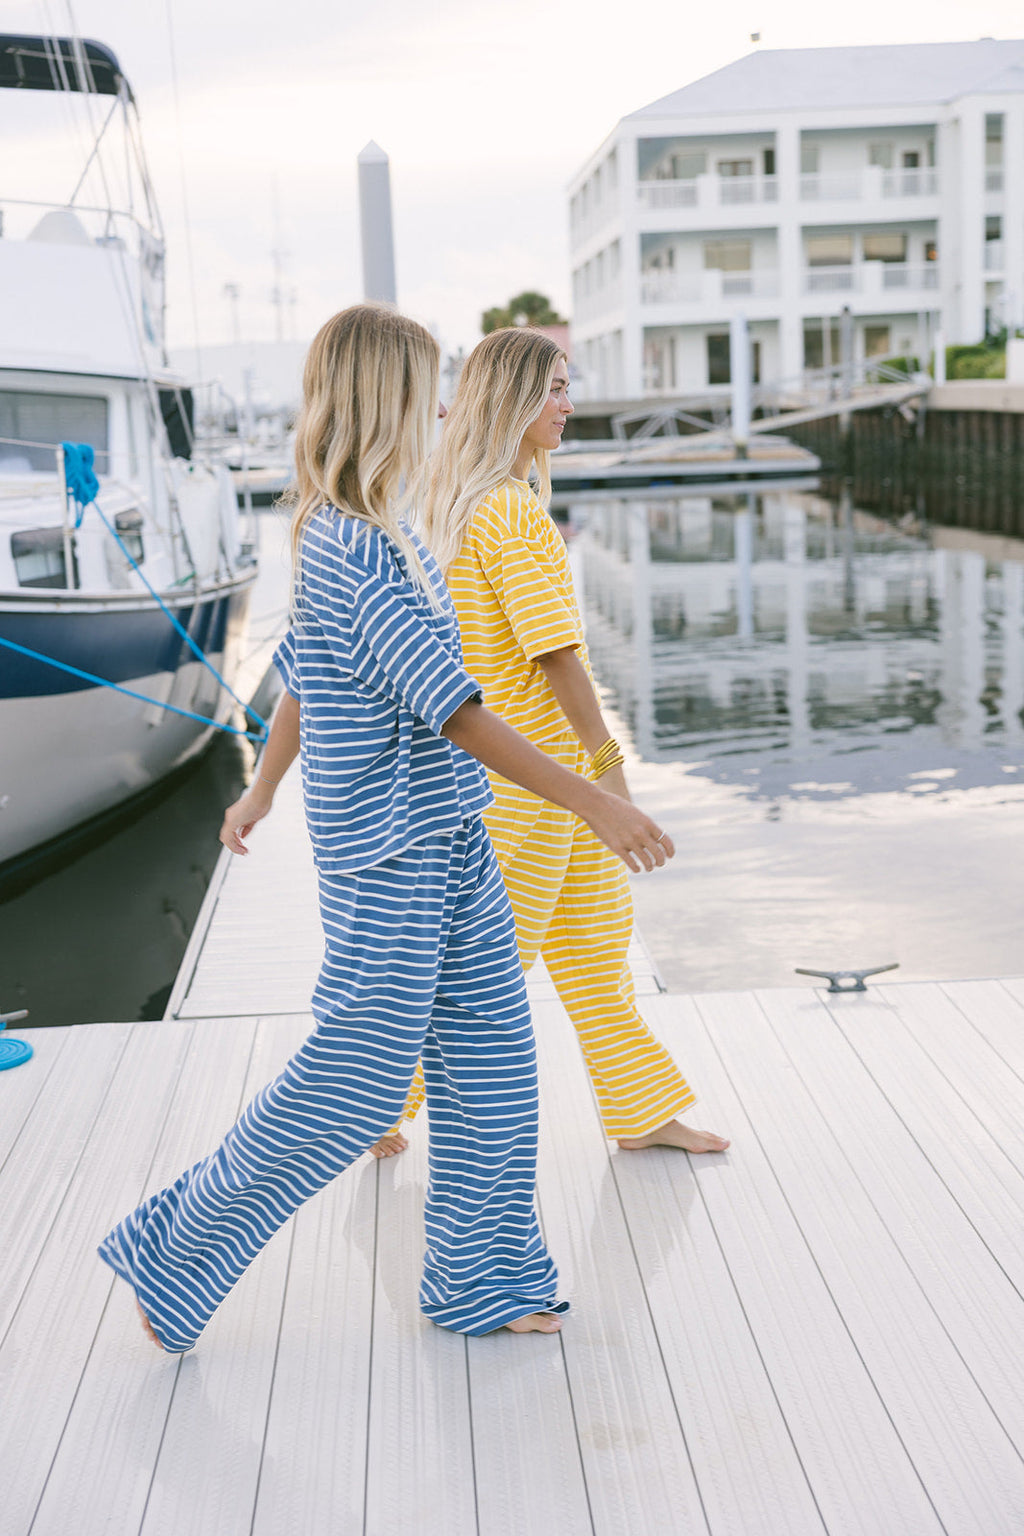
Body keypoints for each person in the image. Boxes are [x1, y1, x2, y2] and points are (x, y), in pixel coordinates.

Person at [98, 305, 675, 1353]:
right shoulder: (352, 547)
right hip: (390, 851)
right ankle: (172, 1248)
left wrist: (258, 794)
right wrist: (599, 798)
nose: (445, 402)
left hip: (450, 831)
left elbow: (299, 680)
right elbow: (455, 707)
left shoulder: (384, 529)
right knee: (357, 1078)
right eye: (428, 384)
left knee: (494, 1055)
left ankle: (482, 1280)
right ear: (387, 397)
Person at [374, 327, 728, 1161]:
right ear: (512, 399)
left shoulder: (461, 499)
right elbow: (559, 657)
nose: (569, 406)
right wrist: (612, 774)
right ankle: (374, 1103)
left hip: (538, 784)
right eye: (555, 390)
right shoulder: (507, 510)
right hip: (530, 788)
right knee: (488, 975)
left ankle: (642, 1112)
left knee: (598, 953)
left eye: (569, 387)